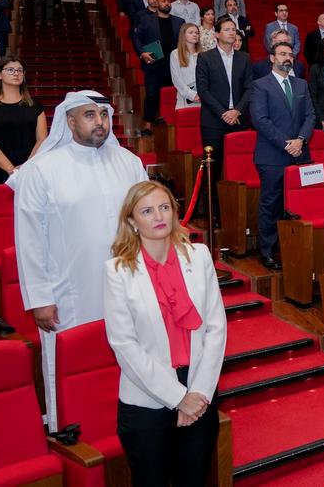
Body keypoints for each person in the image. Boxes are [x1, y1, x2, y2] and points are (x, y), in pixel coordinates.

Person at [14, 91, 149, 429]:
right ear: (70, 121)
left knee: (133, 356)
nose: (99, 122)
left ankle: (136, 423)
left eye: (103, 114)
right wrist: (40, 298)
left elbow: (148, 223)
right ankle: (70, 431)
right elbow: (29, 239)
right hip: (70, 290)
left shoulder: (129, 163)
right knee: (72, 364)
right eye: (89, 115)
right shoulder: (41, 170)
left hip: (130, 283)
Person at [103, 180, 226, 486]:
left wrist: (198, 394)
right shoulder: (118, 271)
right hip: (147, 397)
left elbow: (216, 327)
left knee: (193, 480)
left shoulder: (199, 256)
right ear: (132, 221)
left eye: (164, 207)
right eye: (147, 211)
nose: (158, 216)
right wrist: (179, 398)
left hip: (199, 387)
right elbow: (124, 346)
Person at [249, 43, 315, 269]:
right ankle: (268, 251)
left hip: (300, 154)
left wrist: (301, 140)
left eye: (290, 55)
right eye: (282, 54)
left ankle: (295, 250)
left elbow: (310, 116)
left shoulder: (301, 84)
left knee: (300, 205)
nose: (287, 58)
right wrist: (287, 144)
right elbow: (260, 120)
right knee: (272, 204)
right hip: (272, 156)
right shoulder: (260, 85)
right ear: (272, 58)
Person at [195, 16, 252, 187]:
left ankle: (235, 202)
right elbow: (203, 90)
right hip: (214, 120)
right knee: (213, 166)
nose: (231, 33)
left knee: (239, 167)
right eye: (227, 29)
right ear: (217, 34)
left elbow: (250, 88)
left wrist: (237, 111)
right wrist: (223, 113)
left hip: (238, 119)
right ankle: (211, 202)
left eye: (233, 29)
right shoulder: (205, 57)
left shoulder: (244, 58)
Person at [0, 57, 46, 186]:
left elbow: (42, 139)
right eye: (10, 70)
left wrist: (26, 167)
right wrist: (12, 170)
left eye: (20, 70)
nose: (16, 73)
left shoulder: (35, 105)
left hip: (31, 168)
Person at [133, 0, 185, 133]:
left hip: (174, 65)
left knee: (172, 94)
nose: (167, 3)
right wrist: (142, 53)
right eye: (163, 1)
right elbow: (136, 37)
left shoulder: (179, 21)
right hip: (155, 63)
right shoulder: (146, 20)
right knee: (152, 95)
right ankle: (148, 124)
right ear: (157, 3)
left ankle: (169, 121)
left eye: (168, 1)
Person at [170, 24, 202, 110]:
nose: (195, 35)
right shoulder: (175, 54)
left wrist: (203, 94)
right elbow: (176, 79)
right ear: (183, 35)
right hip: (184, 96)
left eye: (197, 33)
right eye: (191, 32)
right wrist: (192, 95)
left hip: (202, 96)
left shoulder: (203, 54)